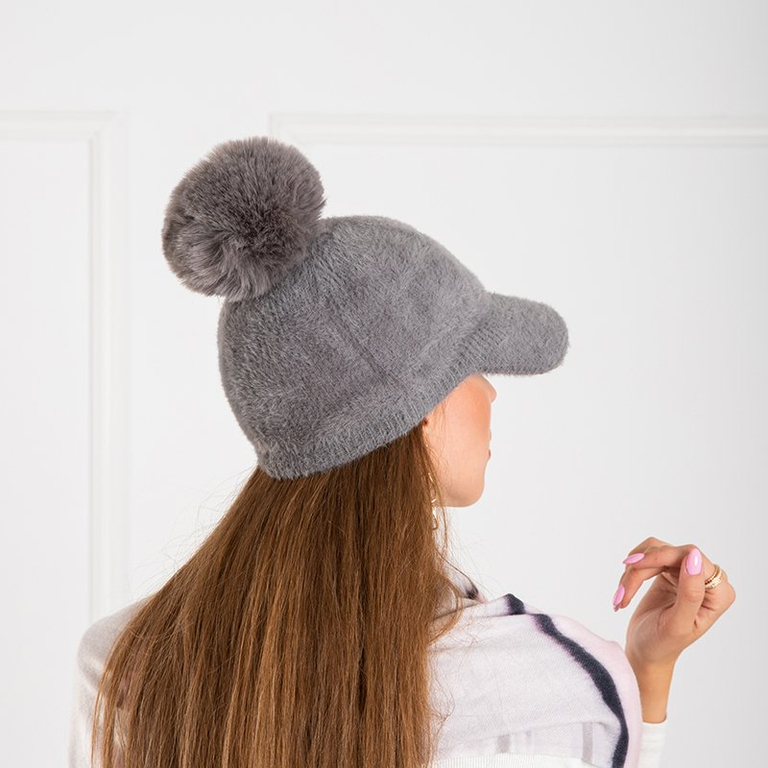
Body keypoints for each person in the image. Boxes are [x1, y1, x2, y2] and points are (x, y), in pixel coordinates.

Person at [67, 136, 736, 768]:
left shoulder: (125, 664)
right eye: (478, 366)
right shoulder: (555, 683)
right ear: (419, 410)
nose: (492, 397)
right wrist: (635, 684)